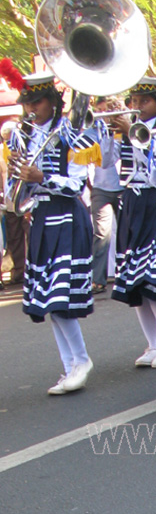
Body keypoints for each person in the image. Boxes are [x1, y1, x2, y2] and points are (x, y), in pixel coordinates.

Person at [1, 66, 99, 394]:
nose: (32, 109)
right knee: (47, 300)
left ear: (52, 102)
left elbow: (76, 184)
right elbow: (17, 189)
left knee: (60, 297)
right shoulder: (22, 134)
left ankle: (81, 359)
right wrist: (18, 179)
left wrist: (42, 178)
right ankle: (71, 364)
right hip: (42, 218)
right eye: (28, 103)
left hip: (69, 217)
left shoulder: (72, 132)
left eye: (38, 103)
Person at [108, 77, 156, 369]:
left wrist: (136, 137)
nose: (138, 107)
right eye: (134, 102)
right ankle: (152, 343)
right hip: (132, 203)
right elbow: (104, 162)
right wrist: (107, 132)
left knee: (154, 280)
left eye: (144, 101)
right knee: (134, 282)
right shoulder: (126, 130)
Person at [88, 97, 125, 294]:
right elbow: (103, 160)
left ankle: (125, 274)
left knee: (126, 233)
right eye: (101, 110)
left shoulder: (126, 128)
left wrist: (119, 126)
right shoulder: (92, 131)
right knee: (101, 234)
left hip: (124, 186)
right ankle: (98, 279)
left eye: (107, 110)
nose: (104, 114)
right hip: (101, 187)